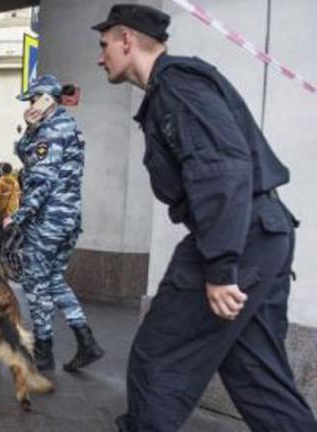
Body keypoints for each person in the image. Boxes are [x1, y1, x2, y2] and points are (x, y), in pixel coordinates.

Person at [93, 4, 317, 431]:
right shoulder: (174, 90)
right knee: (256, 374)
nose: (100, 57)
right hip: (262, 231)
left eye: (104, 45)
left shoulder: (176, 87)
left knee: (159, 359)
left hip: (240, 233)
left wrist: (220, 265)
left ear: (126, 40)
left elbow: (221, 169)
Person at [4, 74, 104, 372]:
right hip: (69, 219)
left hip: (48, 219)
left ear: (47, 98)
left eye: (34, 99)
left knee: (36, 284)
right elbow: (24, 154)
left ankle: (44, 352)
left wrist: (17, 218)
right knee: (56, 281)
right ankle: (86, 341)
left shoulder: (51, 131)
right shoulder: (64, 125)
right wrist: (31, 128)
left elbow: (42, 180)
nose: (31, 104)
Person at [0, 162, 20, 247]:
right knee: (9, 231)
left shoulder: (1, 182)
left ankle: (1, 249)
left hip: (1, 211)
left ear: (2, 170)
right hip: (12, 210)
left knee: (0, 231)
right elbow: (17, 196)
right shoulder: (15, 182)